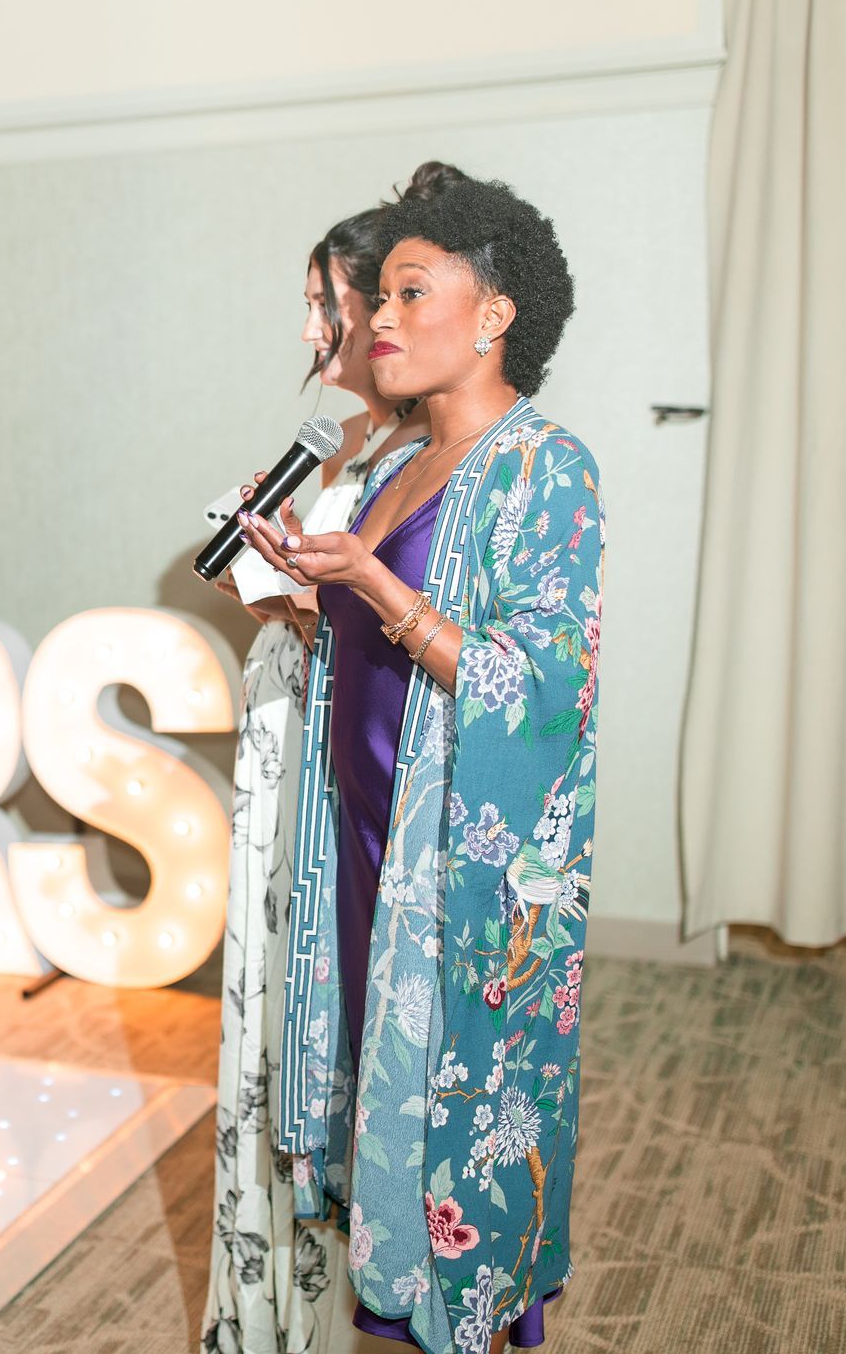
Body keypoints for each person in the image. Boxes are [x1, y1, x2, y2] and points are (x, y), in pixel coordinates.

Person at [238, 175, 599, 1353]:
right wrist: (311, 586)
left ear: (494, 312)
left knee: (460, 1128)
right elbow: (371, 644)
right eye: (376, 297)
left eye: (408, 292)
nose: (376, 318)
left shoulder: (547, 465)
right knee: (387, 1115)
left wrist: (375, 583)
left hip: (455, 867)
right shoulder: (403, 466)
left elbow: (542, 686)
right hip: (365, 841)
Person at [204, 164, 464, 1354]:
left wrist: (317, 601)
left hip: (337, 751)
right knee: (266, 1009)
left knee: (333, 1017)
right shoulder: (340, 440)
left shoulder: (424, 454)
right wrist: (264, 572)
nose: (315, 330)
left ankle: (338, 1290)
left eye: (329, 303)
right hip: (281, 732)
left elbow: (406, 621)